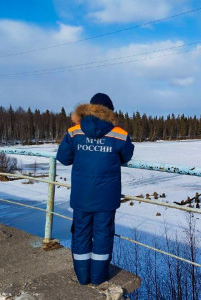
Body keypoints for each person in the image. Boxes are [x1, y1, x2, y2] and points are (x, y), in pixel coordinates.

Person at [56, 93, 134, 285]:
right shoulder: (119, 134)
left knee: (81, 233)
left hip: (82, 195)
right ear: (110, 111)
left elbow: (64, 158)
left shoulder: (75, 132)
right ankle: (98, 278)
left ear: (90, 108)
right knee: (102, 235)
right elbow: (126, 156)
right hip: (107, 198)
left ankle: (83, 277)